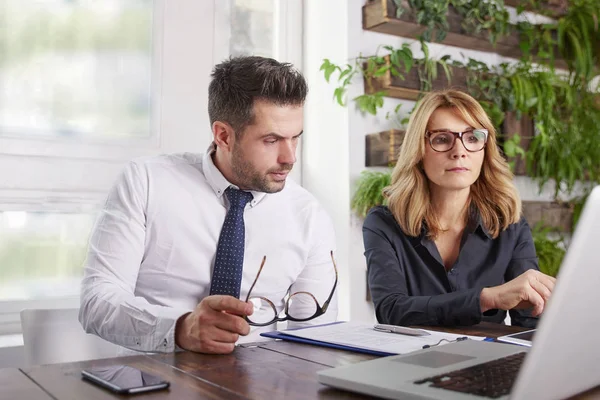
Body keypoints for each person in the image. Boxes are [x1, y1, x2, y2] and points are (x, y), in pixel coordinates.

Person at [79, 56, 338, 354]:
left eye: (295, 139)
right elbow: (96, 301)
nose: (290, 158)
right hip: (155, 381)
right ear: (223, 135)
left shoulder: (310, 215)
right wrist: (179, 328)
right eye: (271, 140)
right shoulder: (147, 183)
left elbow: (316, 338)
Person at [363, 89, 555, 328]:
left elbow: (529, 323)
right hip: (412, 361)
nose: (459, 151)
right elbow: (391, 310)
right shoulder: (383, 223)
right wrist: (487, 298)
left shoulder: (509, 224)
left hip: (486, 360)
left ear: (485, 150)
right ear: (419, 150)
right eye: (442, 139)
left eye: (473, 138)